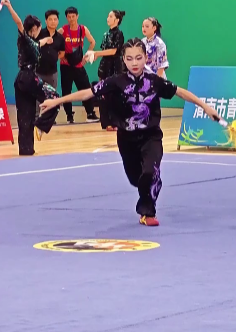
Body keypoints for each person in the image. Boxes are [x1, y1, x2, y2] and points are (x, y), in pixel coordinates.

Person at [40, 38, 221, 226]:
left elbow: (180, 92)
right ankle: (150, 184)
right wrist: (56, 101)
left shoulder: (154, 81)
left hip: (151, 136)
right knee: (137, 180)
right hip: (126, 139)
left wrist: (205, 107)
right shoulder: (116, 82)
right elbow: (87, 93)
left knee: (149, 172)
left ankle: (147, 213)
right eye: (129, 58)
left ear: (146, 58)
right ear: (124, 60)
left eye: (139, 58)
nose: (134, 63)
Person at [2, 0, 60, 156]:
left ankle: (26, 149)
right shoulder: (24, 38)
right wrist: (9, 6)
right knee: (55, 98)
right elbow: (18, 22)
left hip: (20, 80)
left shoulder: (31, 42)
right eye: (39, 28)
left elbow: (38, 44)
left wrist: (46, 40)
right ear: (34, 28)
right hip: (29, 78)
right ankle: (41, 125)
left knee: (25, 115)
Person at [86, 10, 126, 131]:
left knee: (115, 94)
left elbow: (114, 51)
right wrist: (94, 56)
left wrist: (97, 53)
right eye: (108, 16)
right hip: (105, 65)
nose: (108, 18)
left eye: (111, 16)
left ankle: (115, 121)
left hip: (115, 66)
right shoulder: (105, 34)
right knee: (103, 93)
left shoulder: (119, 34)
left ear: (117, 20)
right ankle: (106, 122)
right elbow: (104, 51)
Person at [57, 7, 99, 123]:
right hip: (65, 65)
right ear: (66, 18)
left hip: (79, 64)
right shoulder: (63, 30)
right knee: (66, 91)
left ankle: (90, 113)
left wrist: (86, 56)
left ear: (77, 16)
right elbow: (54, 41)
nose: (71, 19)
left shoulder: (83, 29)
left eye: (73, 16)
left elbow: (92, 42)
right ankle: (69, 116)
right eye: (69, 17)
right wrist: (60, 54)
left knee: (86, 89)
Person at [34, 9, 65, 115]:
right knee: (37, 95)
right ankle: (36, 117)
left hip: (52, 72)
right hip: (38, 71)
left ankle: (48, 118)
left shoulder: (60, 38)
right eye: (50, 19)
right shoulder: (39, 34)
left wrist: (54, 57)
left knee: (51, 95)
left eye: (55, 19)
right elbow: (33, 46)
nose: (53, 22)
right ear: (46, 21)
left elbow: (62, 53)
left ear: (58, 21)